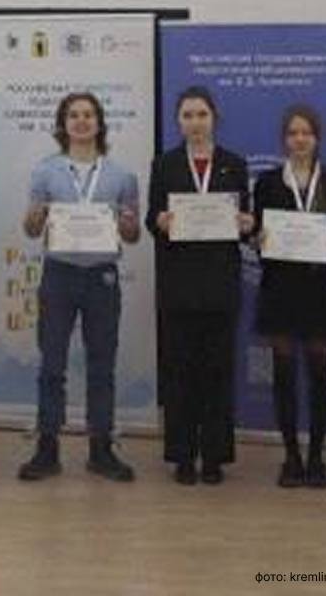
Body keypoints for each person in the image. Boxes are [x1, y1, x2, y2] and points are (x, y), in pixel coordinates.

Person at [18, 92, 140, 482]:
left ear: (99, 123)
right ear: (63, 124)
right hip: (59, 274)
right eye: (74, 115)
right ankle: (47, 447)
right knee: (51, 363)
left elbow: (133, 234)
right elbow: (32, 230)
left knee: (102, 364)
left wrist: (128, 224)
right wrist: (34, 217)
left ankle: (101, 448)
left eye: (88, 114)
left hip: (102, 277)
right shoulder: (45, 172)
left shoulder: (122, 176)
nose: (82, 121)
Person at [146, 86, 252, 486]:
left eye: (201, 115)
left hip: (220, 284)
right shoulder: (164, 165)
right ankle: (182, 455)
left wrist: (247, 224)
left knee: (217, 373)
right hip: (178, 285)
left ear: (214, 119)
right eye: (187, 115)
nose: (195, 123)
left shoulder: (234, 164)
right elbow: (151, 219)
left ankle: (214, 456)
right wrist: (158, 222)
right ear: (178, 121)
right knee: (180, 373)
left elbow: (246, 221)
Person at [253, 104, 326, 489]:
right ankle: (291, 457)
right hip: (279, 289)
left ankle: (316, 457)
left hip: (320, 290)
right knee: (283, 377)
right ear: (284, 139)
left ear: (317, 138)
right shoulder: (267, 183)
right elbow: (257, 231)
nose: (299, 139)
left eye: (306, 133)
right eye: (293, 133)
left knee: (320, 375)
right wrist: (258, 237)